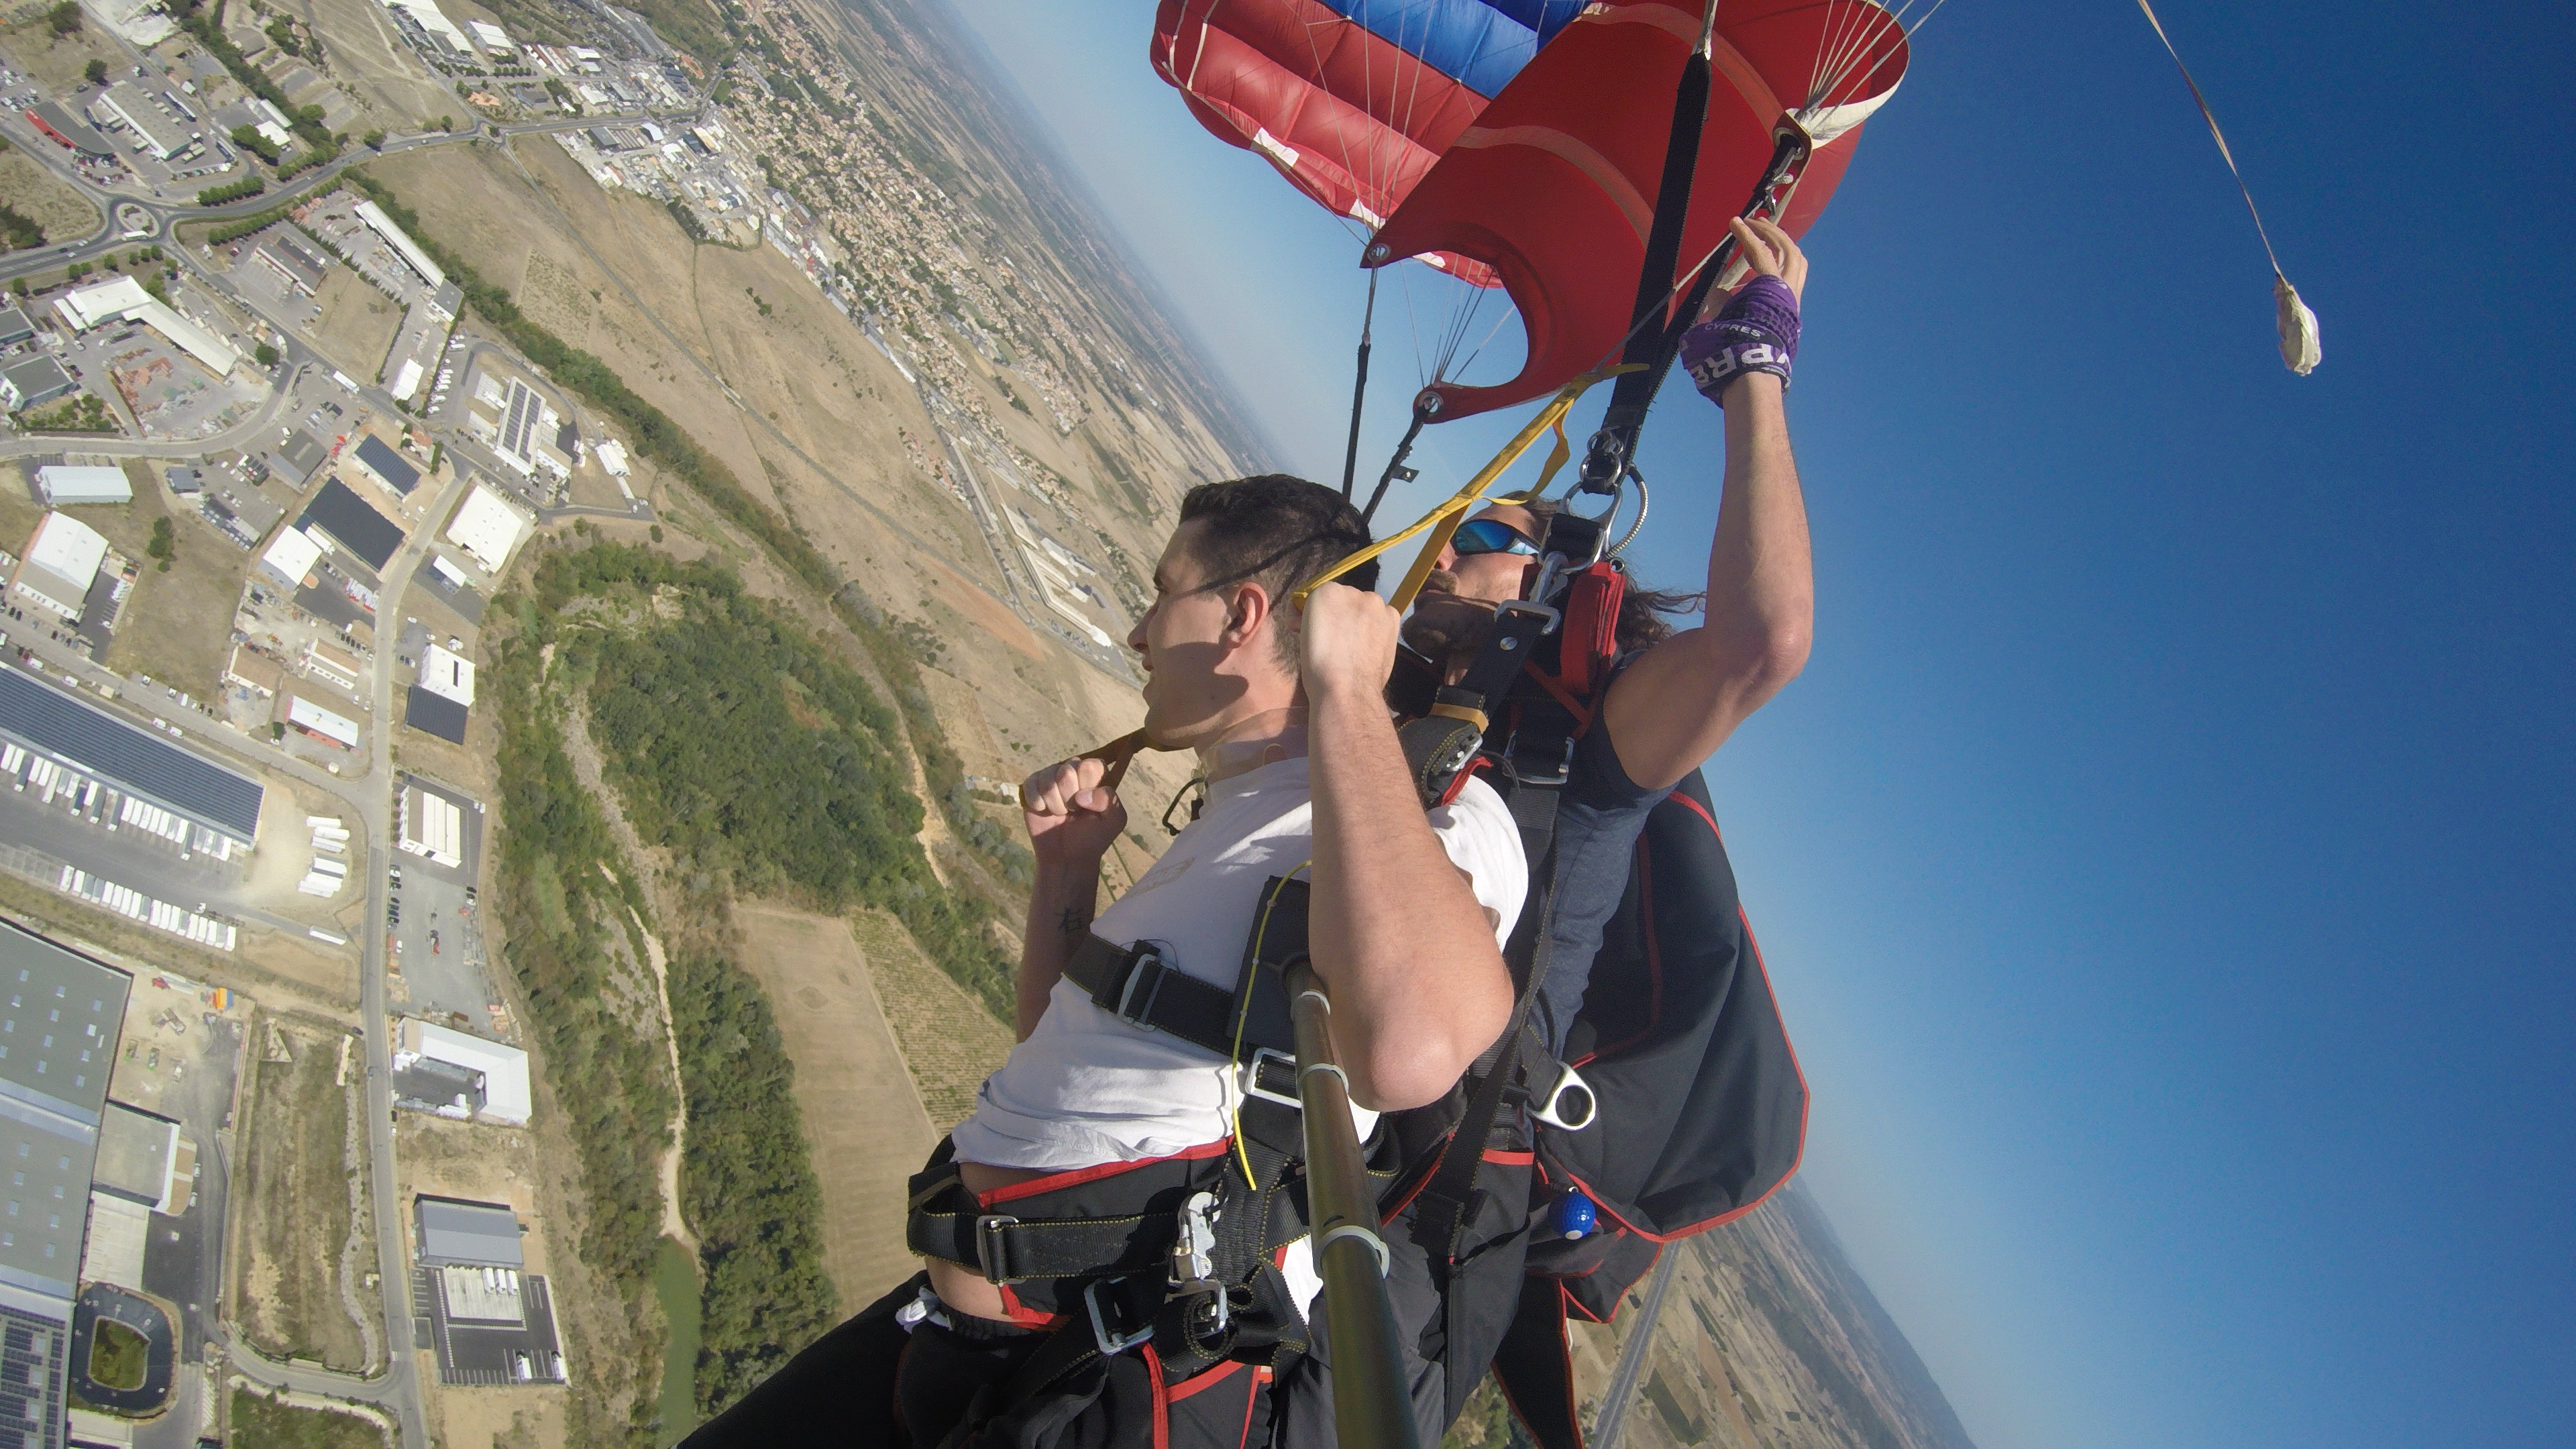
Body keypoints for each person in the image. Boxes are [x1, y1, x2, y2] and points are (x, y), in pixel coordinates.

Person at [682, 475, 1527, 1447]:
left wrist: (1350, 697)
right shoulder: (1237, 811)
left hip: (1114, 1384)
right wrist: (1067, 871)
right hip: (981, 1339)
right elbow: (1057, 1043)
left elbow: (1408, 1052)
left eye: (1164, 593)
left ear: (1243, 615)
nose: (1136, 632)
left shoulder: (1433, 814)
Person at [1400, 215, 1817, 1054]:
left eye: (1479, 539)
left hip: (1456, 1106)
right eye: (1447, 532)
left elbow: (1759, 645)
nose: (1440, 553)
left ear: (1550, 579)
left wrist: (1752, 374)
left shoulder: (1592, 733)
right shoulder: (1399, 693)